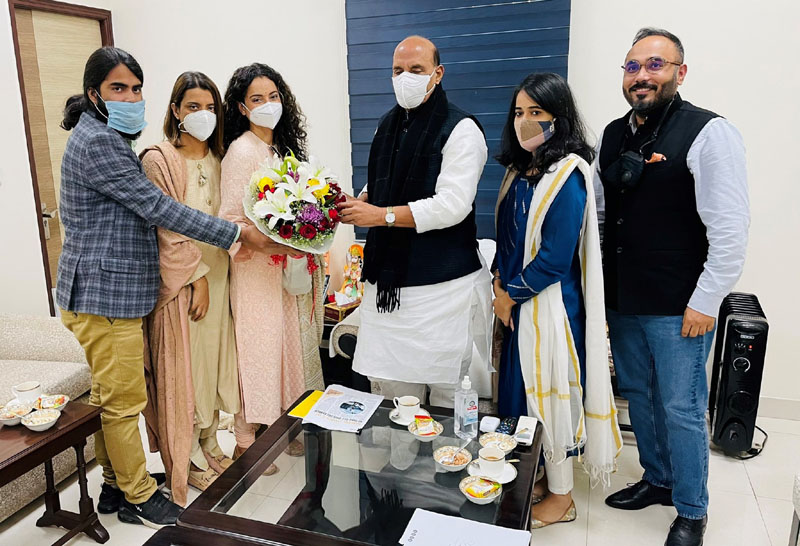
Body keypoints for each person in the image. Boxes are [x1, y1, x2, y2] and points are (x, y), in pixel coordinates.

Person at [57, 46, 276, 528]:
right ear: (94, 94)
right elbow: (159, 209)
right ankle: (138, 495)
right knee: (124, 403)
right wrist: (236, 234)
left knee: (109, 398)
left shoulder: (104, 134)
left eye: (136, 88)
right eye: (118, 88)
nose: (130, 97)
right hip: (104, 293)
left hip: (106, 293)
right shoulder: (101, 142)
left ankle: (114, 484)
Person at [596, 28, 749, 546]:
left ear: (680, 73)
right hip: (623, 299)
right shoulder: (613, 135)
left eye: (655, 65)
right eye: (632, 66)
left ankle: (691, 509)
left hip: (681, 304)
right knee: (639, 396)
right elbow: (603, 215)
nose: (642, 75)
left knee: (681, 409)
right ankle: (657, 479)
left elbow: (730, 230)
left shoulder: (709, 132)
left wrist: (706, 301)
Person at [492, 72, 621, 529]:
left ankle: (563, 497)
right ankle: (538, 475)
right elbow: (505, 241)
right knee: (519, 397)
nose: (524, 121)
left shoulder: (568, 175)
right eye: (519, 112)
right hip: (515, 305)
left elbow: (554, 257)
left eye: (537, 112)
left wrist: (510, 295)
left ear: (558, 117)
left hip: (551, 310)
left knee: (550, 400)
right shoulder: (518, 171)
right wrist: (498, 286)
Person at [339, 35, 492, 408]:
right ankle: (397, 449)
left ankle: (446, 448)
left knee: (445, 398)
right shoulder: (387, 125)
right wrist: (360, 201)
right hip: (390, 292)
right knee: (394, 397)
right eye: (398, 70)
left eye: (416, 69)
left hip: (442, 290)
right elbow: (385, 182)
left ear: (437, 74)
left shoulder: (461, 128)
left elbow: (452, 205)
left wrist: (381, 216)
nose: (405, 77)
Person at [218, 63, 326, 474]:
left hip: (283, 267)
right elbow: (230, 218)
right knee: (258, 353)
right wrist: (259, 239)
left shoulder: (281, 149)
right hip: (254, 270)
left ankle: (282, 428)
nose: (268, 105)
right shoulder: (241, 151)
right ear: (242, 108)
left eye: (274, 96)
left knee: (286, 350)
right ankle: (245, 442)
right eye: (257, 99)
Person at [140, 72, 240, 505]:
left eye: (210, 107)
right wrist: (196, 278)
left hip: (223, 275)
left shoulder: (222, 158)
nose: (203, 114)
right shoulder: (159, 160)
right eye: (193, 106)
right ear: (176, 110)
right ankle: (190, 456)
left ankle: (212, 442)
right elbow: (163, 226)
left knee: (216, 364)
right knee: (188, 370)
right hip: (183, 282)